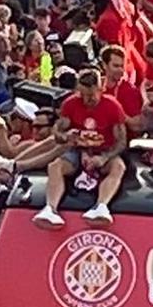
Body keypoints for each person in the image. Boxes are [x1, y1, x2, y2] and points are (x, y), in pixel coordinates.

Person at [34, 66, 128, 228]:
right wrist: (64, 136)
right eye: (82, 95)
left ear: (101, 88)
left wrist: (104, 157)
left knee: (118, 167)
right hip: (77, 150)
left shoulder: (112, 106)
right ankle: (50, 208)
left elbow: (121, 141)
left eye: (91, 95)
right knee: (55, 166)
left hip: (104, 151)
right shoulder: (70, 104)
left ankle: (101, 206)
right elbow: (58, 129)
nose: (87, 100)